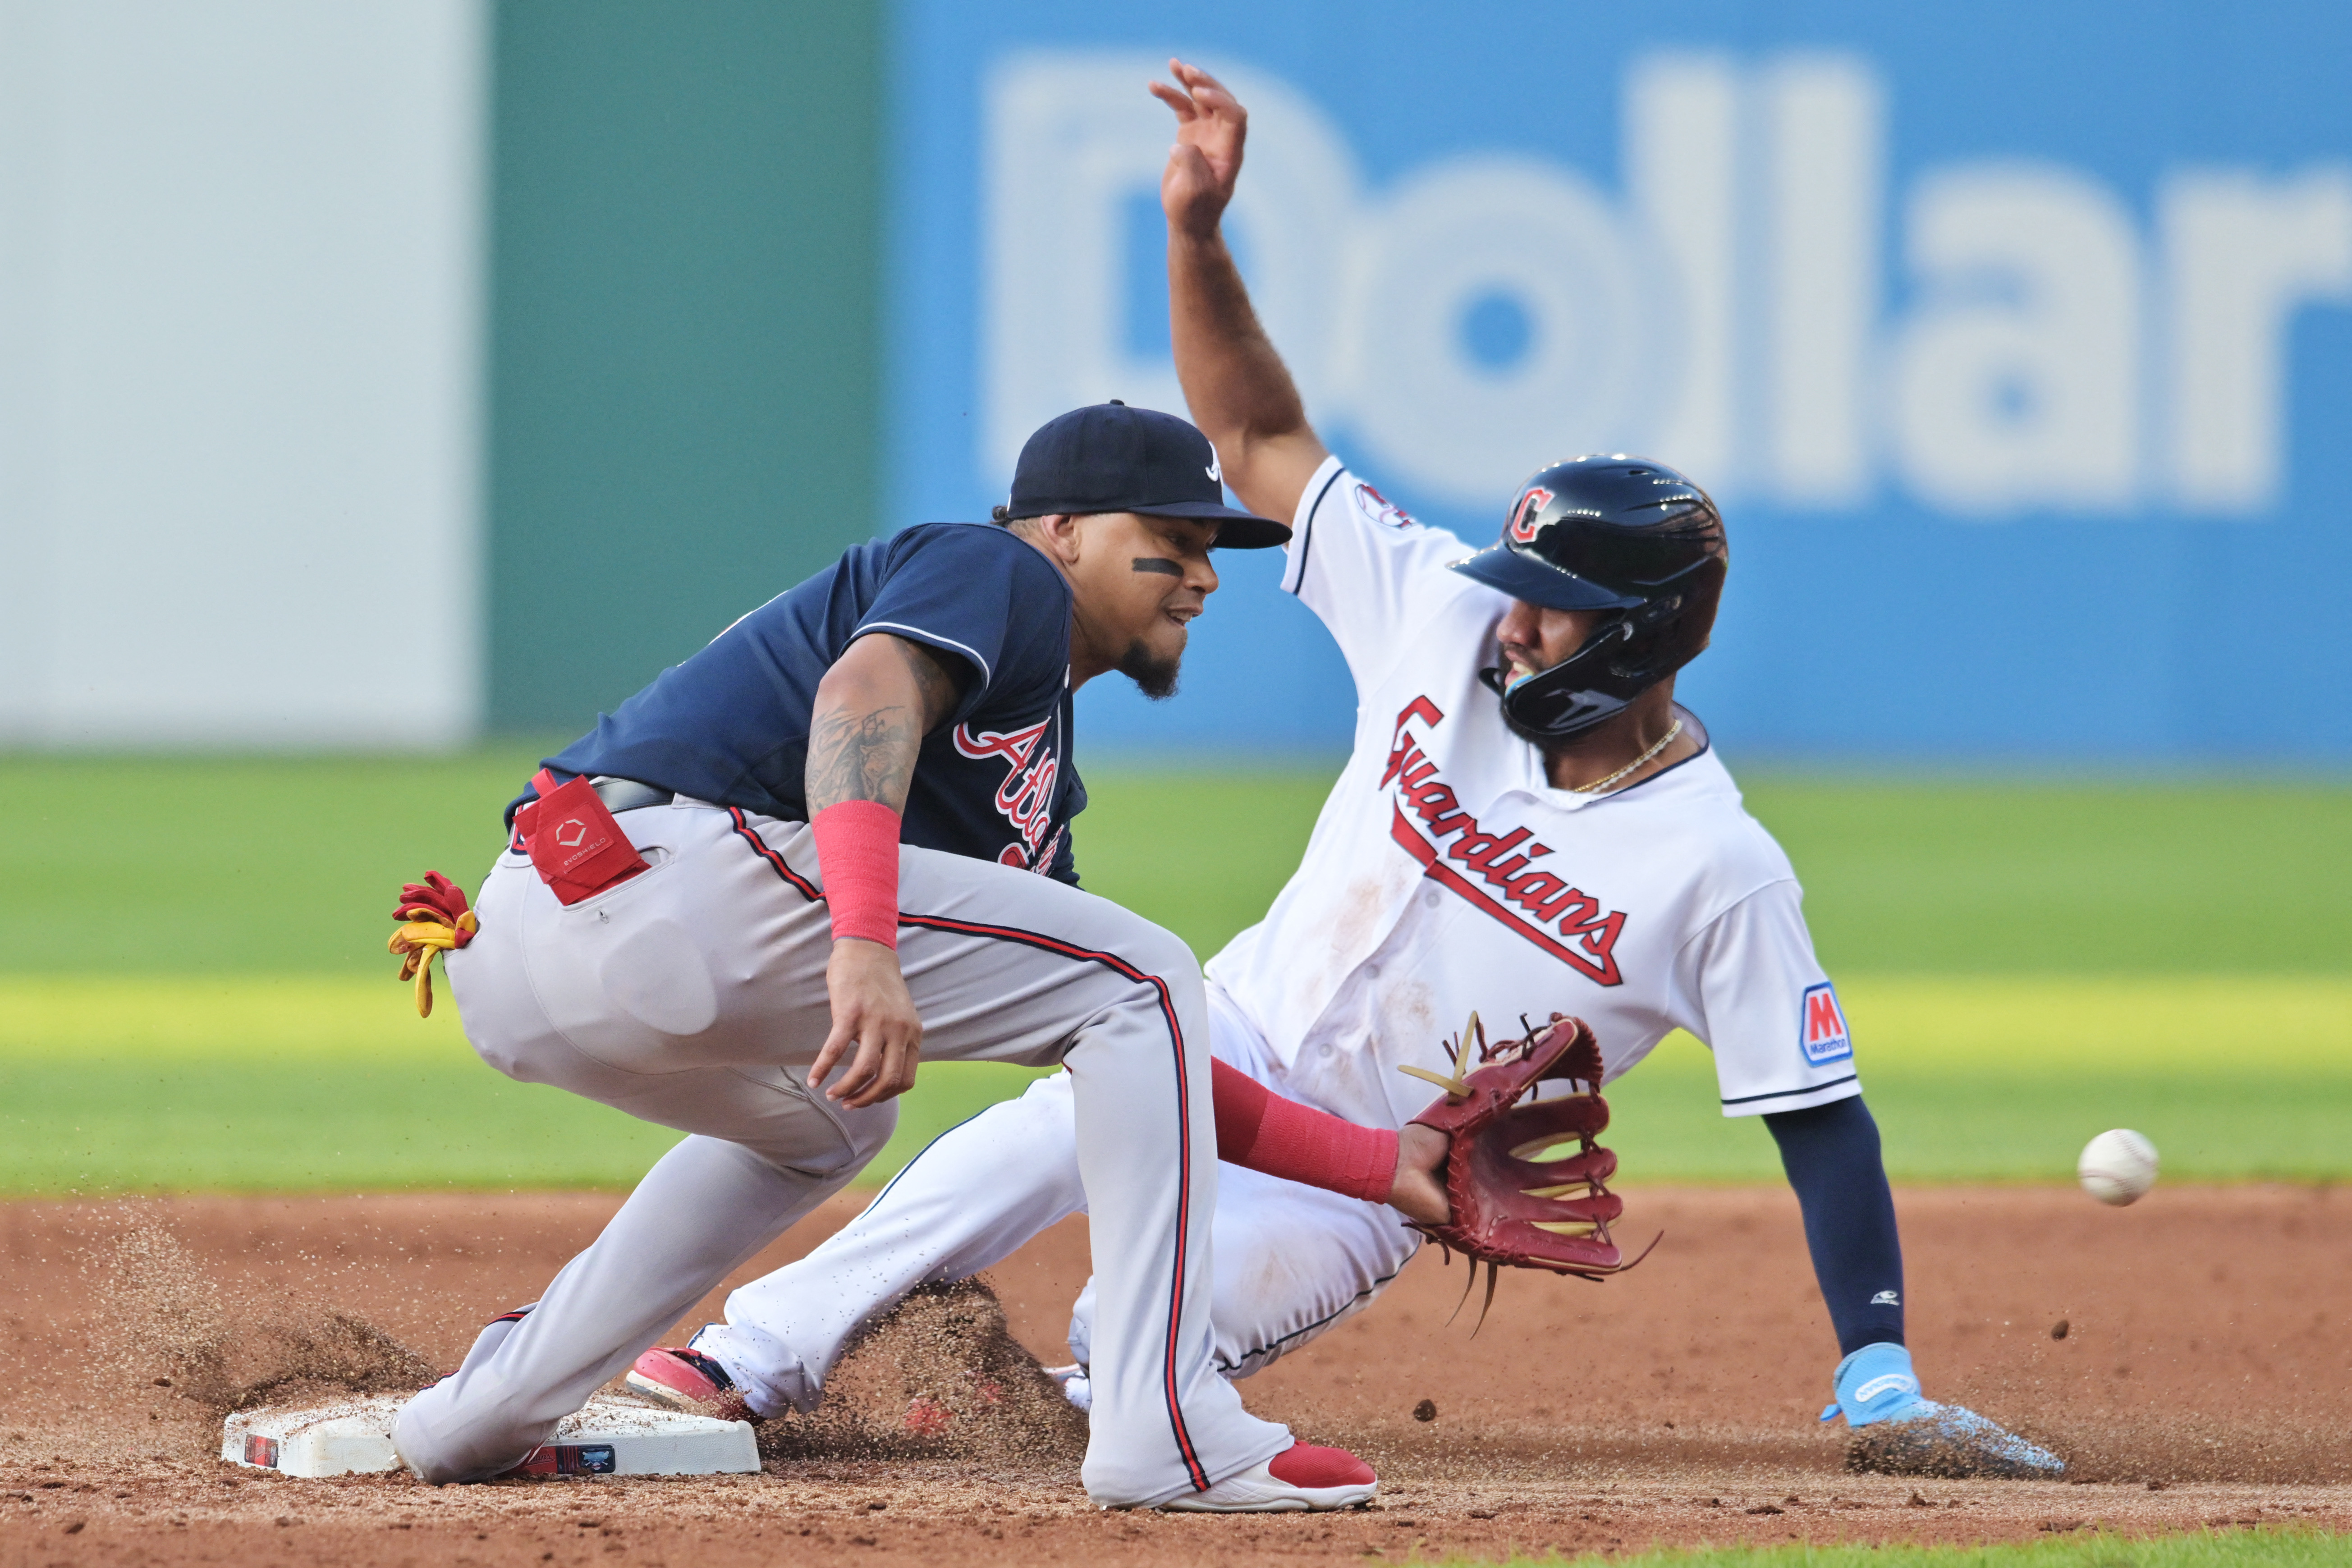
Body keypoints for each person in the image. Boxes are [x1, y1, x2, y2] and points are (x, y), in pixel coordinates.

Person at [628, 62, 2061, 1479]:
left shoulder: (1715, 866)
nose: (1512, 616)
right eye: (1515, 583)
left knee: (1144, 1343)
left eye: (1550, 601)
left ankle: (1044, 1392)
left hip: (1377, 1180)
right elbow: (1255, 437)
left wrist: (1877, 1371)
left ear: (1639, 634)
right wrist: (1196, 235)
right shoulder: (1436, 607)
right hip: (1228, 1036)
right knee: (1042, 1132)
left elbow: (1821, 1117)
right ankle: (745, 1355)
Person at [390, 399, 1390, 1511]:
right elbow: (860, 694)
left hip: (548, 943)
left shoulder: (1030, 775)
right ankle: (1163, 1427)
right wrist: (863, 945)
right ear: (1057, 529)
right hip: (680, 869)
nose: (1203, 574)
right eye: (1173, 537)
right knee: (1145, 972)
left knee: (841, 1118)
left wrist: (1381, 1171)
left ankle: (484, 1412)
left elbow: (1135, 1051)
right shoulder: (999, 572)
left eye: (1211, 547)